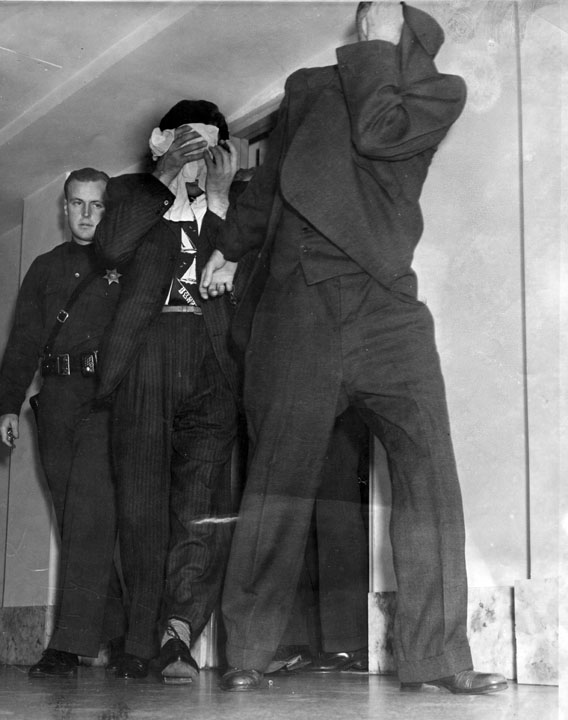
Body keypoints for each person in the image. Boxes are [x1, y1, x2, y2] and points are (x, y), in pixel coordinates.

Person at [200, 2, 508, 695]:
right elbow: (269, 185)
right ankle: (247, 652)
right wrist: (231, 247)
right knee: (277, 476)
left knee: (430, 470)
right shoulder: (308, 88)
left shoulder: (438, 94)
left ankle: (437, 657)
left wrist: (377, 45)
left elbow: (378, 130)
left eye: (385, 22)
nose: (371, 23)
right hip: (299, 305)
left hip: (386, 307)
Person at [93, 100, 242, 683]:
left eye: (207, 148)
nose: (196, 157)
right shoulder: (132, 192)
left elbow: (238, 271)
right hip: (147, 355)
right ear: (160, 142)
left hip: (213, 360)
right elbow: (111, 249)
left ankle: (177, 634)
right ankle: (138, 640)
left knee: (200, 506)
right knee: (141, 505)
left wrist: (220, 199)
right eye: (186, 144)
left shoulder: (232, 203)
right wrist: (164, 175)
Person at [0, 167, 126, 677]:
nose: (87, 214)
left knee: (89, 514)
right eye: (77, 203)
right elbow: (23, 343)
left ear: (109, 209)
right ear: (65, 207)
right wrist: (7, 404)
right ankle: (118, 633)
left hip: (105, 400)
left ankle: (67, 646)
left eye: (97, 204)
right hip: (55, 401)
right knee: (74, 518)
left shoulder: (126, 263)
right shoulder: (45, 267)